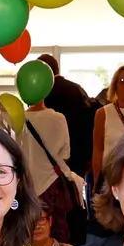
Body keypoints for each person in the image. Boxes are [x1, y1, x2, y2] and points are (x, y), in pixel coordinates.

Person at [19, 92, 86, 244]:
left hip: (27, 186)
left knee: (29, 234)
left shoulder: (18, 118)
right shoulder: (58, 118)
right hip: (53, 184)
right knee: (56, 233)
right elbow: (65, 155)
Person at [35, 53, 97, 181]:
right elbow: (88, 122)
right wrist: (89, 156)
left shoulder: (44, 93)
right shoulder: (76, 89)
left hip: (51, 158)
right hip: (79, 154)